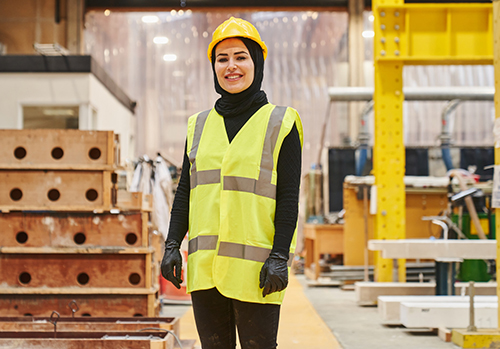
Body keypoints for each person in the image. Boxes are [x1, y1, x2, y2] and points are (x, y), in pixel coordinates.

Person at [161, 16, 303, 349]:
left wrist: (280, 256)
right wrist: (171, 245)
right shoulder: (198, 125)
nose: (231, 66)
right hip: (205, 269)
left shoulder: (281, 122)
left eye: (241, 56)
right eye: (222, 59)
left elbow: (288, 197)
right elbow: (186, 192)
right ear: (214, 68)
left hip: (257, 270)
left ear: (257, 63)